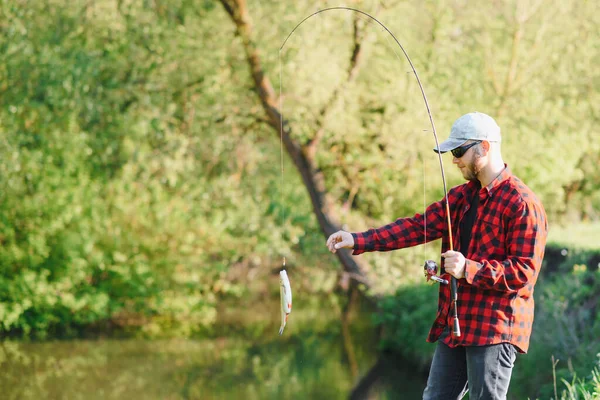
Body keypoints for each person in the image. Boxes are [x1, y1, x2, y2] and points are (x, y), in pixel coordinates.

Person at [326, 112, 548, 400]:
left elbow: (523, 273)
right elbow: (417, 227)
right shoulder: (461, 197)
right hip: (455, 323)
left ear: (484, 146)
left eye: (458, 151)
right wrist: (358, 239)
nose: (454, 160)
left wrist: (467, 268)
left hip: (494, 328)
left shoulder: (522, 203)